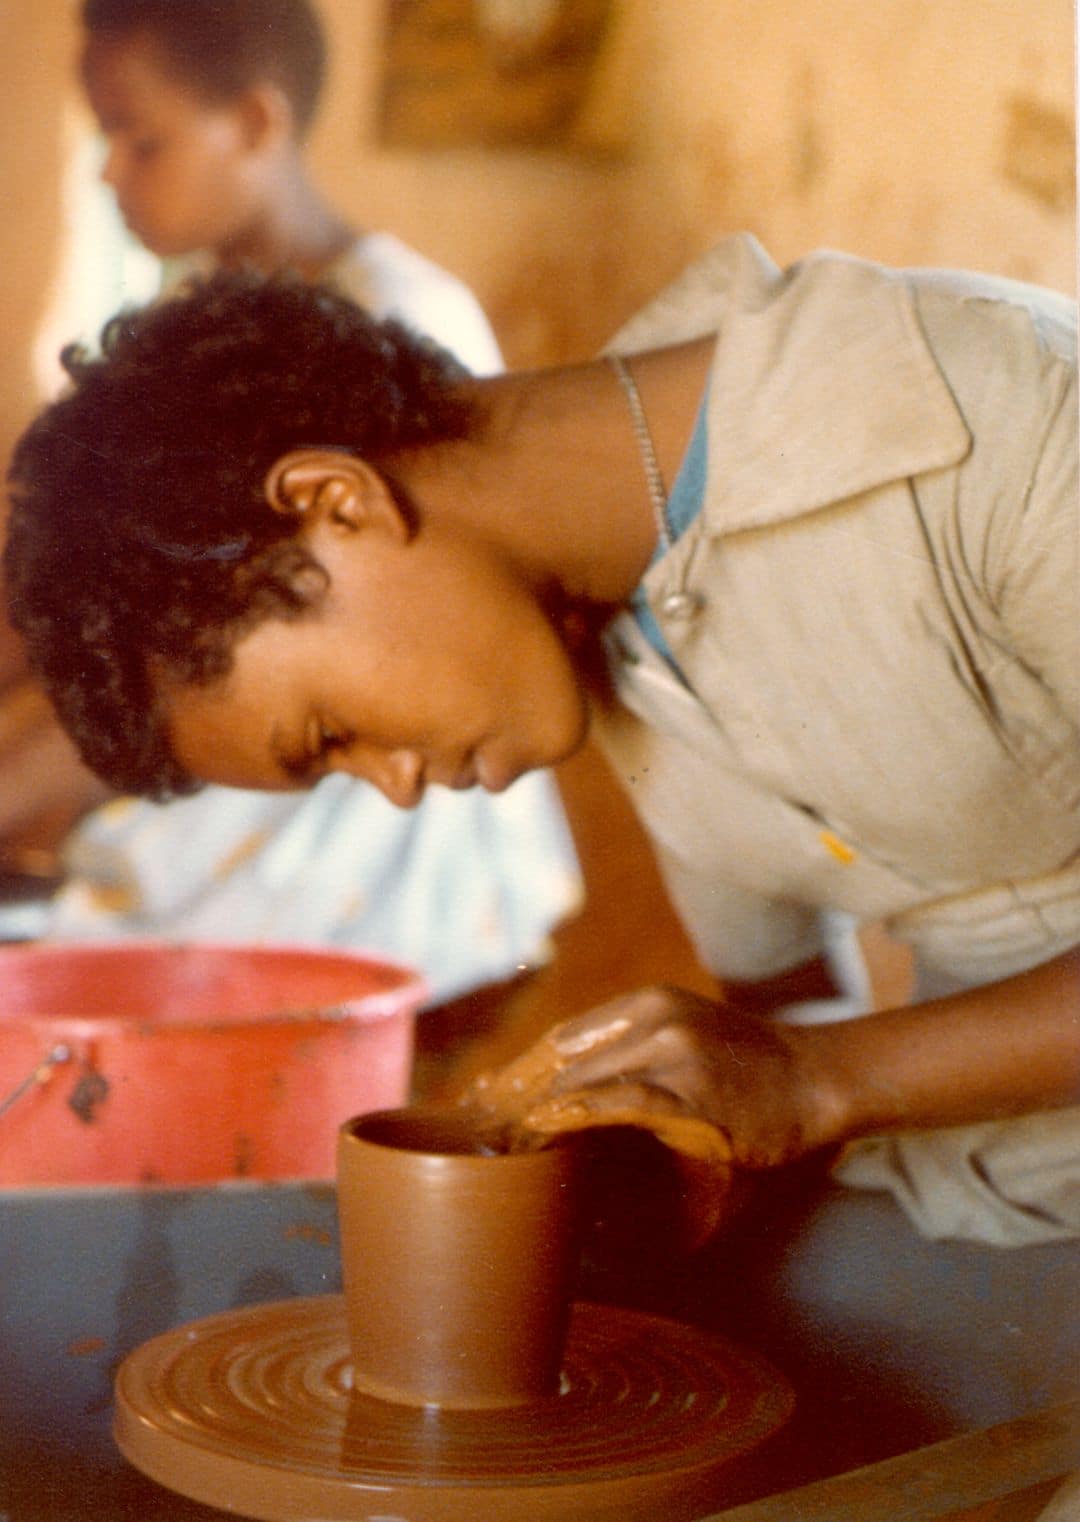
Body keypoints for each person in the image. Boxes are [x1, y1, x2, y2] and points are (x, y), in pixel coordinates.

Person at [5, 237, 1078, 1473]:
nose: (396, 785)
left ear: (335, 503)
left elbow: (816, 1061)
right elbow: (787, 1002)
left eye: (332, 734)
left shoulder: (990, 414)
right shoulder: (622, 617)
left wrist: (823, 1079)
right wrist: (673, 1148)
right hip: (1001, 1185)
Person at [0, 0, 579, 1008]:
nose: (109, 175)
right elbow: (84, 600)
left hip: (378, 845)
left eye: (141, 141)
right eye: (103, 142)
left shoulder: (399, 316)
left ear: (256, 123)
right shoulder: (193, 336)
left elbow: (239, 653)